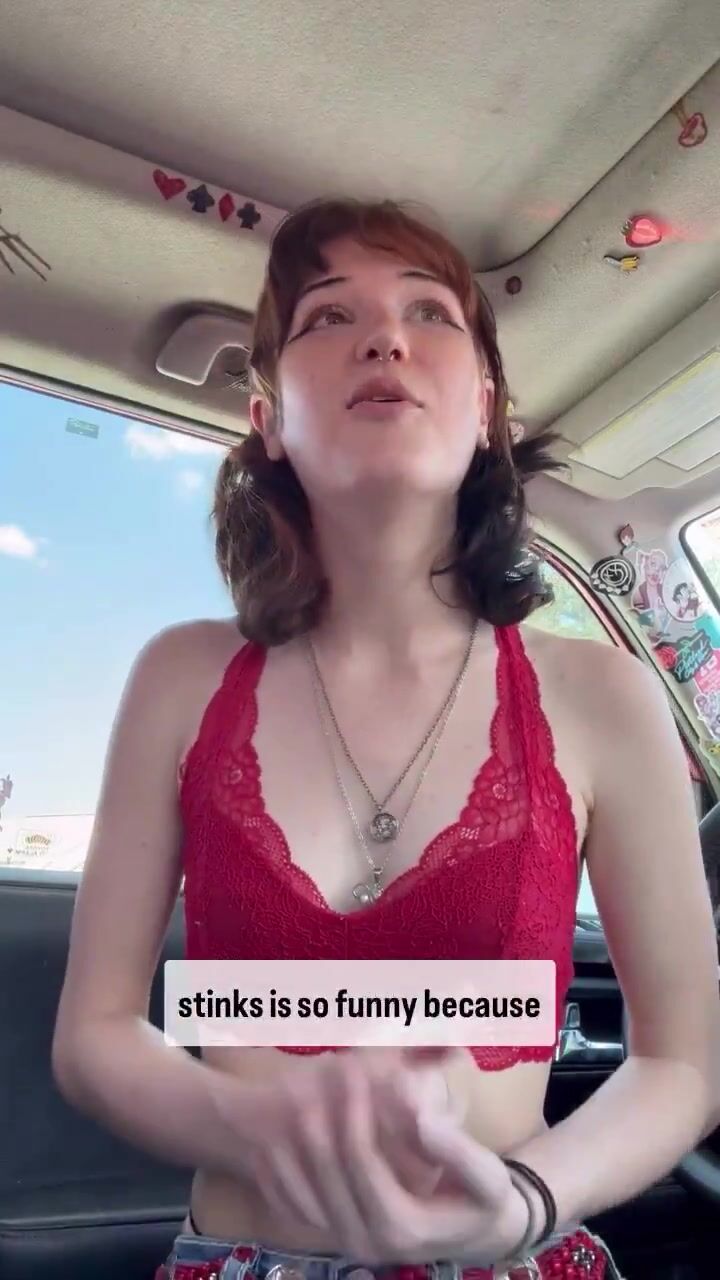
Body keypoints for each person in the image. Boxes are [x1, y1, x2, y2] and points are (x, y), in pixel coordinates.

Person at [51, 198, 720, 1280]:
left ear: (486, 409)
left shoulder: (604, 695)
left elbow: (684, 1062)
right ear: (268, 418)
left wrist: (527, 1199)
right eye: (329, 317)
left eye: (429, 313)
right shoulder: (180, 676)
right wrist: (263, 1130)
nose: (385, 339)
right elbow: (95, 1032)